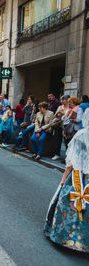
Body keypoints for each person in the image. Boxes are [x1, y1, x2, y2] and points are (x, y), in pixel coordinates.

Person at [44, 108, 89, 253]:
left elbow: (71, 162)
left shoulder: (82, 135)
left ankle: (66, 237)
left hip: (78, 177)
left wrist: (63, 180)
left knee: (69, 203)